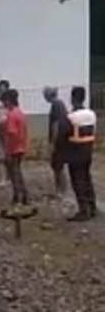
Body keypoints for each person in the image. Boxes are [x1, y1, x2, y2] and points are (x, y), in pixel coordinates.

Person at [65, 86, 98, 221]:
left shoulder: (71, 117)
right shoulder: (91, 114)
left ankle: (83, 210)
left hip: (74, 153)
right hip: (88, 151)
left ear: (73, 99)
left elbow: (64, 134)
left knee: (77, 181)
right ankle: (92, 206)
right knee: (87, 179)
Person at [2, 89, 30, 206]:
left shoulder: (11, 115)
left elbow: (11, 134)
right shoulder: (20, 112)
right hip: (21, 147)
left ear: (8, 101)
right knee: (17, 172)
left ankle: (19, 196)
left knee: (14, 174)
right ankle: (23, 196)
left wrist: (7, 151)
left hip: (14, 149)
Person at [44, 86, 70, 198]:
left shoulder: (56, 105)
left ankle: (61, 190)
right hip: (63, 140)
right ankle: (61, 189)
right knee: (58, 166)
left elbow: (56, 125)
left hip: (59, 141)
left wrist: (52, 143)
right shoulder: (60, 104)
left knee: (57, 166)